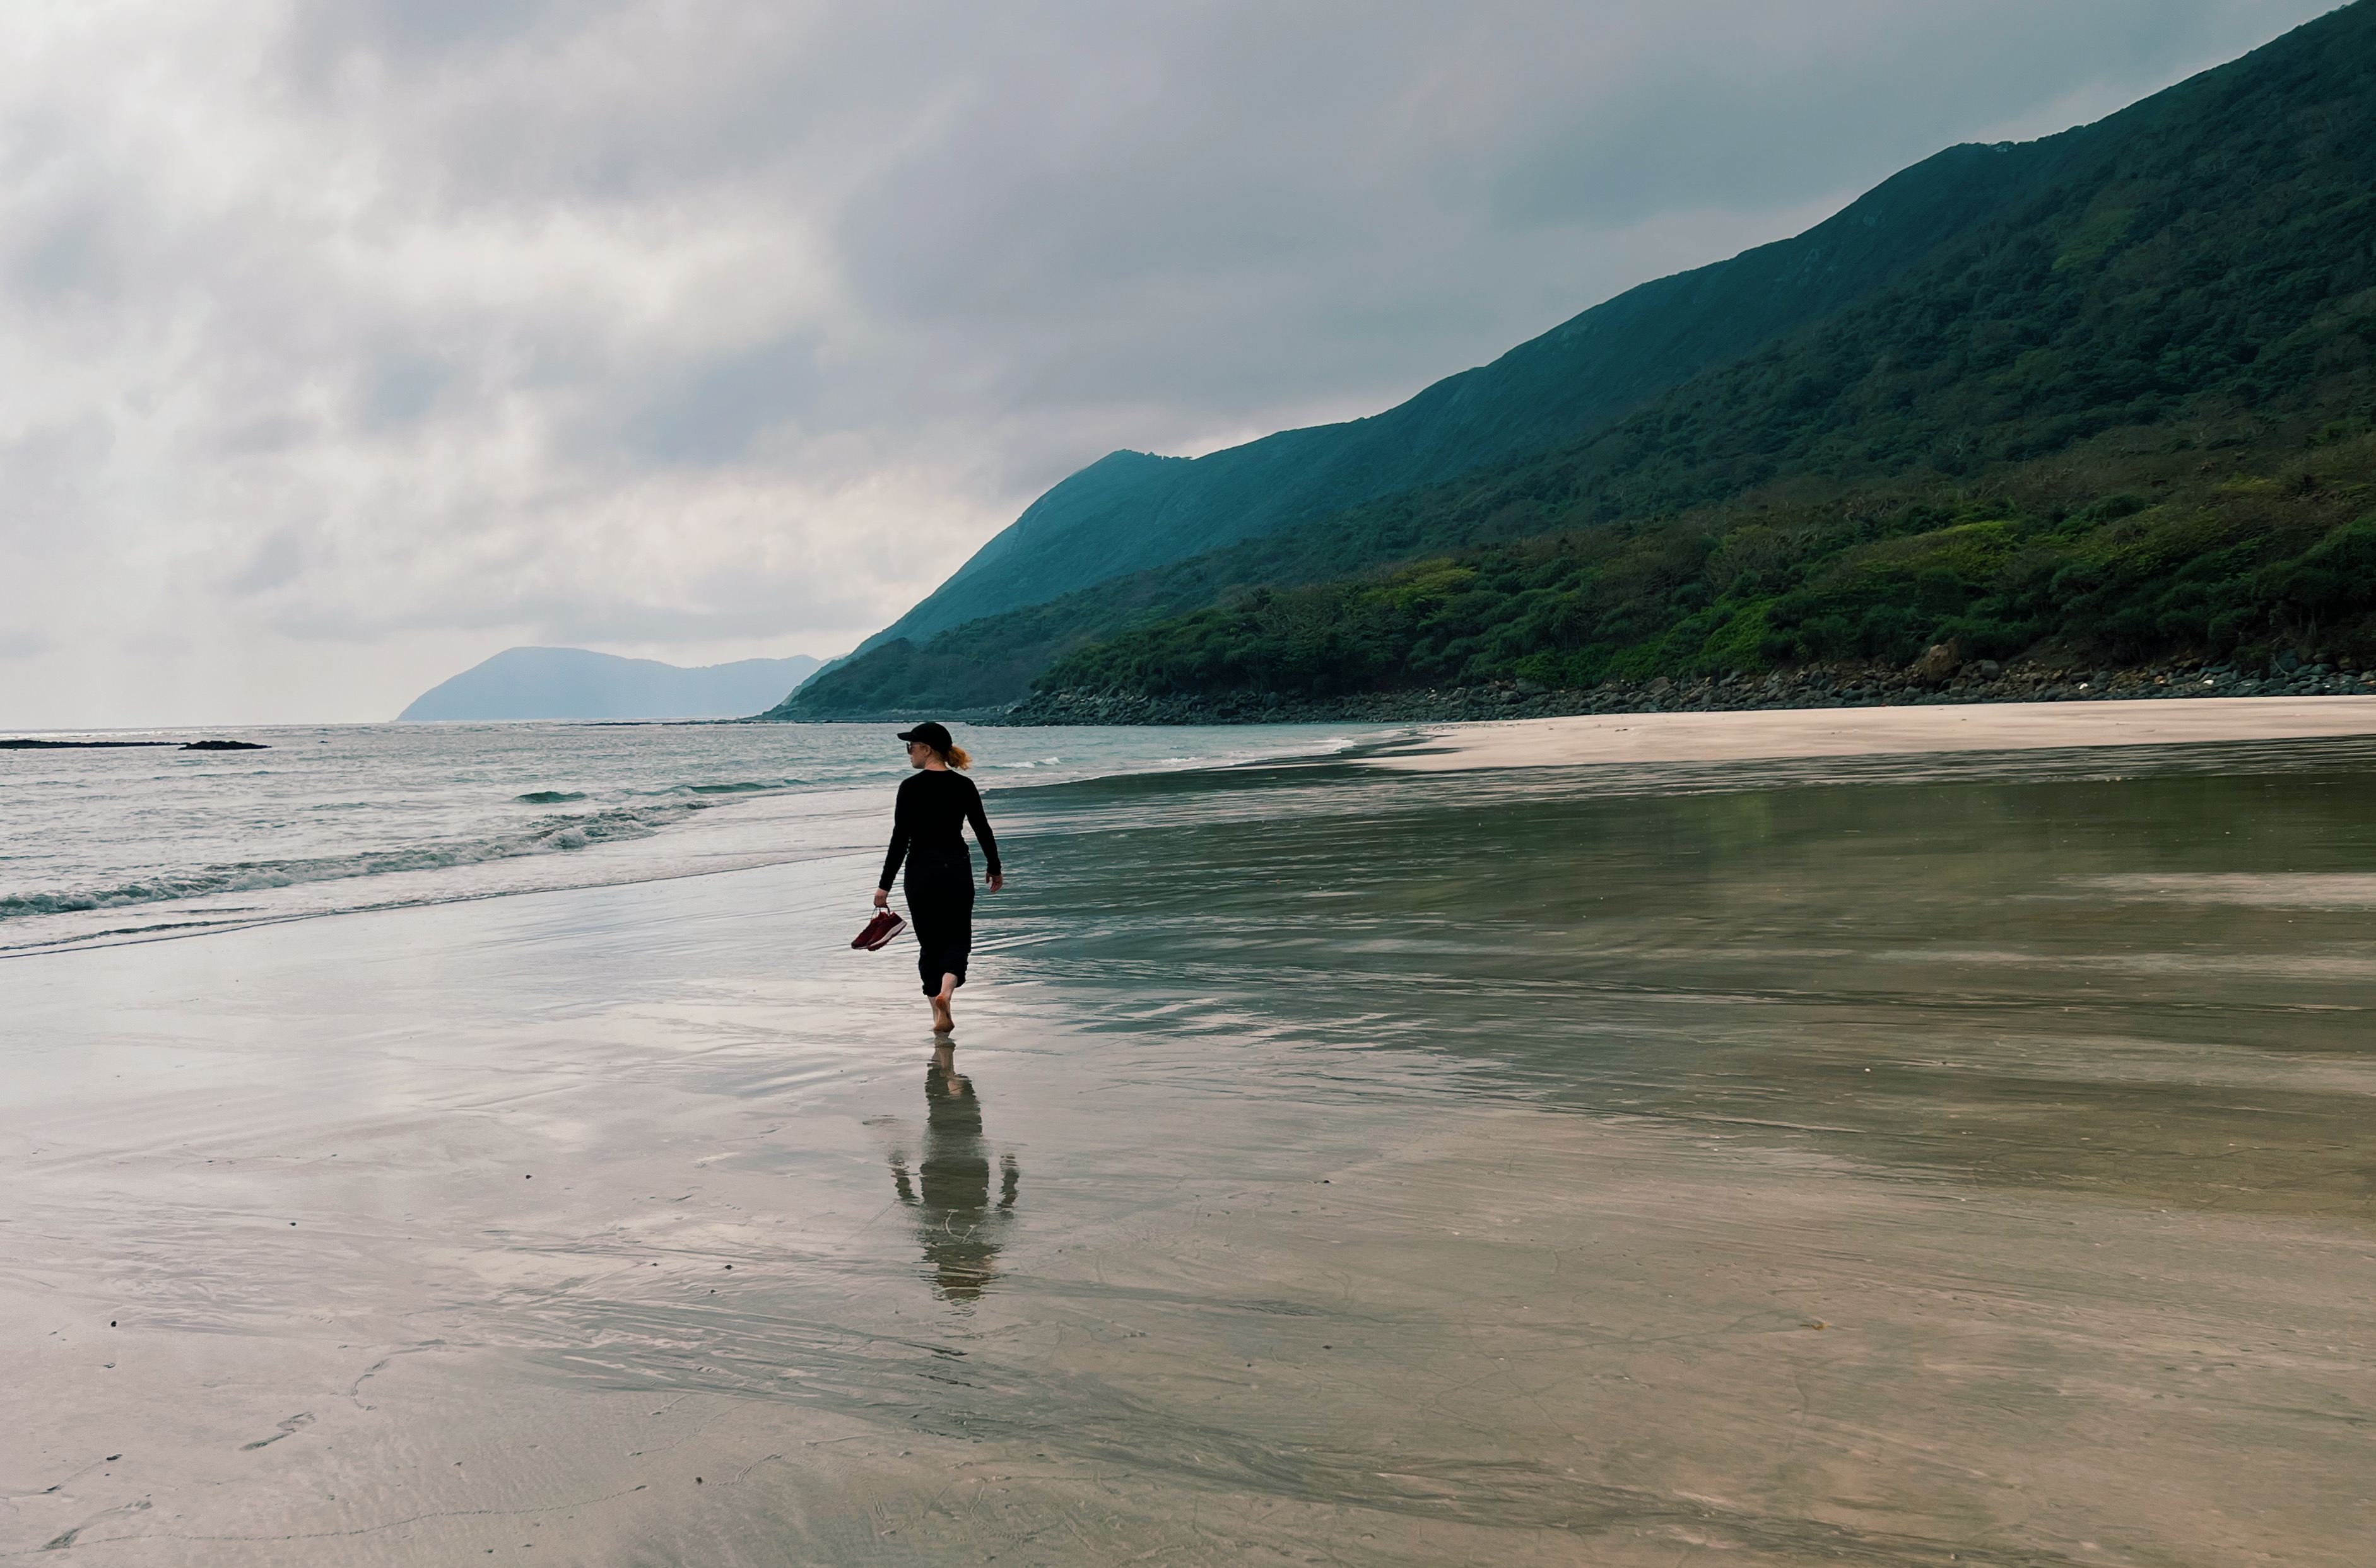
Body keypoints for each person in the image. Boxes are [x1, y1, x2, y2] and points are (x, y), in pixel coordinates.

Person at [874, 722, 1003, 1033]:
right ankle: (947, 993)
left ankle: (937, 1014)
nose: (908, 753)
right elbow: (982, 828)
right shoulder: (963, 786)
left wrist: (884, 886)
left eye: (911, 747)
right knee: (958, 940)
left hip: (921, 872)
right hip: (956, 869)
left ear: (926, 749)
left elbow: (899, 840)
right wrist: (994, 867)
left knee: (930, 945)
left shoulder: (910, 787)